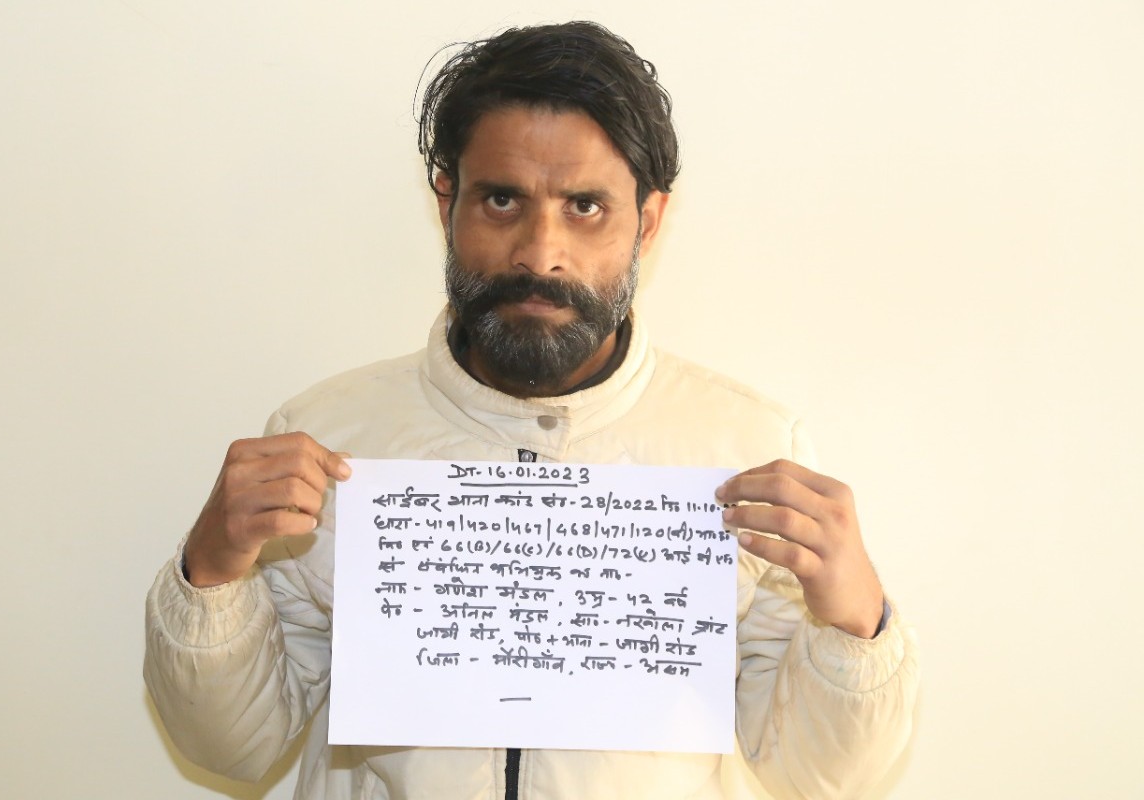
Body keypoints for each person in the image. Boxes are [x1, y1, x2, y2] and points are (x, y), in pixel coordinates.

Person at [144, 20, 918, 800]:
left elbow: (818, 773)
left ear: (648, 221)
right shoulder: (329, 437)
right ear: (447, 201)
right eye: (502, 199)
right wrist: (210, 572)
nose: (540, 252)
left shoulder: (746, 447)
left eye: (585, 206)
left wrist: (855, 619)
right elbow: (233, 748)